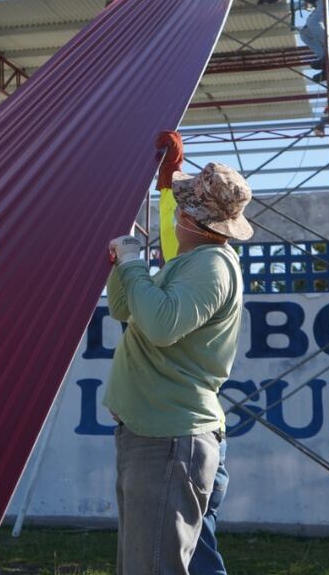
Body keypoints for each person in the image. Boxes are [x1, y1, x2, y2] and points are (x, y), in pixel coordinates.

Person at [105, 151, 252, 574]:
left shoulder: (211, 265)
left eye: (179, 208)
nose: (173, 214)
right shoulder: (191, 262)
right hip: (158, 436)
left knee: (152, 566)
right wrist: (124, 268)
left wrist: (133, 263)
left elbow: (160, 325)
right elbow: (123, 307)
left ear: (189, 219)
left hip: (169, 440)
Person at [154, 132, 230, 575]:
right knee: (193, 545)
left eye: (186, 206)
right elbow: (174, 238)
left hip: (186, 436)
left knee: (189, 552)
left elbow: (174, 241)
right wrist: (169, 185)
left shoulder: (204, 273)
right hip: (200, 433)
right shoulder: (201, 260)